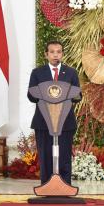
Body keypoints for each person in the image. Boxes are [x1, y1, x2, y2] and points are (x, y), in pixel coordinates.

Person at [27, 40, 81, 185]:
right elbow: (31, 96)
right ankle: (46, 186)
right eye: (52, 52)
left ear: (62, 54)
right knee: (45, 156)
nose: (56, 55)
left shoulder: (71, 72)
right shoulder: (37, 73)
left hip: (65, 122)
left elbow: (77, 96)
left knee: (64, 156)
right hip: (43, 122)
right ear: (46, 54)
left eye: (59, 52)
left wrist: (66, 94)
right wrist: (46, 93)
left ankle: (65, 186)